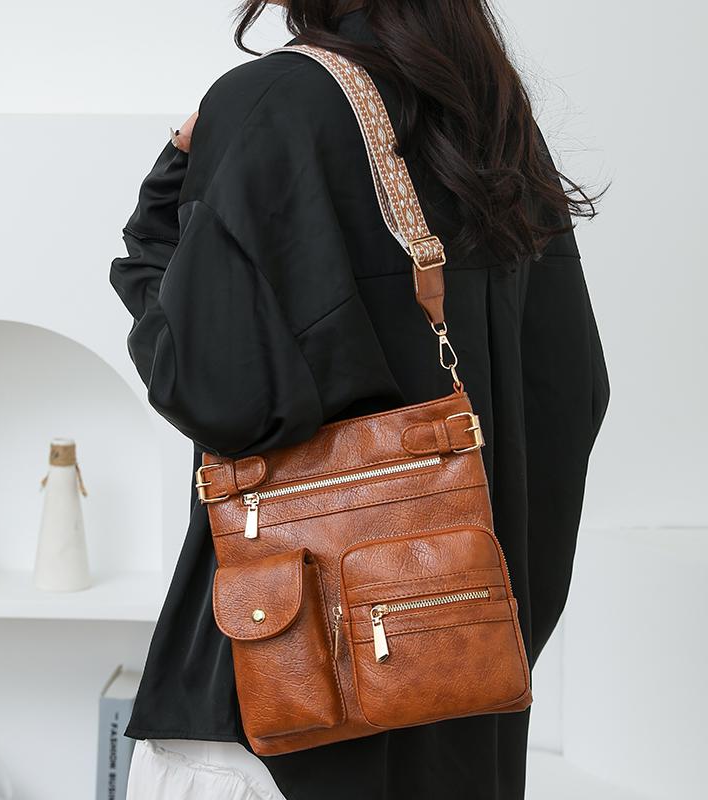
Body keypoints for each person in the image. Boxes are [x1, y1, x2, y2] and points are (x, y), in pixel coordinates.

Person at [110, 2, 610, 798]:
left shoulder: (274, 102)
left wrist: (157, 218)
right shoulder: (497, 122)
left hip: (277, 722)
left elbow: (217, 393)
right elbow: (572, 400)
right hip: (458, 709)